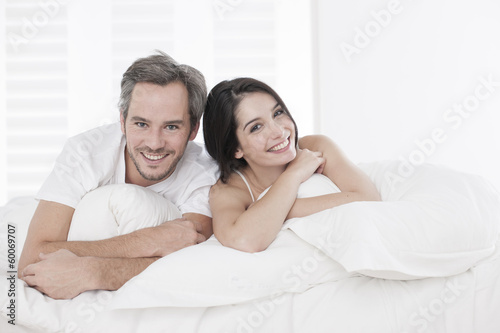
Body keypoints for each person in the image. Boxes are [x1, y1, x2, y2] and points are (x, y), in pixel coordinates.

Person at [18, 51, 219, 299]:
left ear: (193, 129)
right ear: (122, 121)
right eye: (141, 124)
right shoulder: (85, 153)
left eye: (171, 127)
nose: (154, 143)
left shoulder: (206, 175)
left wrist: (96, 272)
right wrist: (147, 241)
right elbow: (30, 260)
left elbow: (190, 265)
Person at [203, 77, 381, 253]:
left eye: (277, 113)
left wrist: (268, 211)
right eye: (256, 127)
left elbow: (369, 199)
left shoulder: (316, 147)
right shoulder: (228, 190)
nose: (279, 132)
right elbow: (243, 240)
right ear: (235, 148)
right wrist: (294, 174)